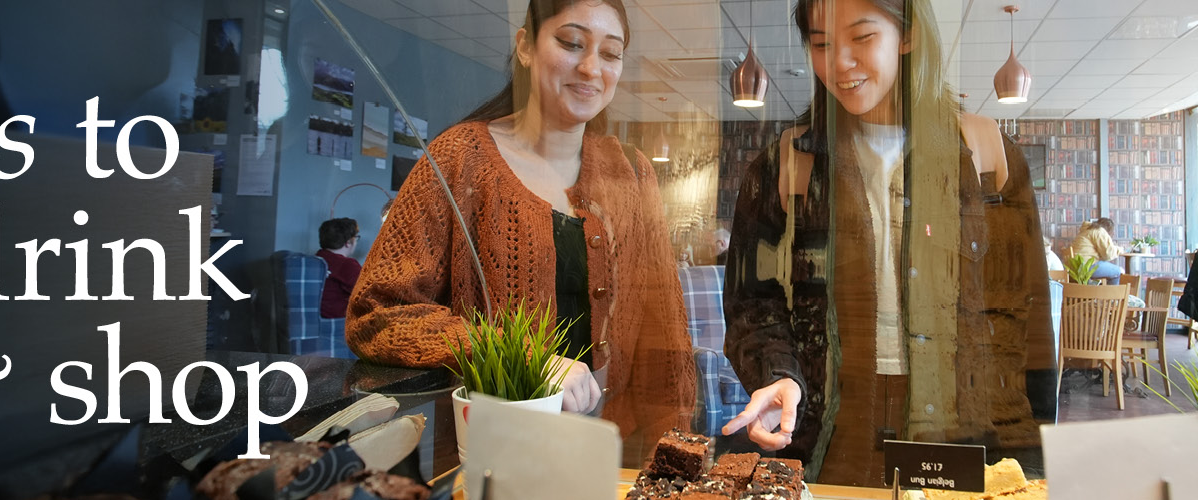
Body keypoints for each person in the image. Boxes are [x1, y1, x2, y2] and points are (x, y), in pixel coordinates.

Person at [345, 0, 696, 459]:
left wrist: (674, 453)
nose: (591, 68)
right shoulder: (459, 160)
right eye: (571, 43)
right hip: (496, 454)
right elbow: (376, 314)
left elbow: (664, 335)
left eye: (611, 53)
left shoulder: (631, 172)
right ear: (526, 47)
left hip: (613, 456)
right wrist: (527, 360)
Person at [721, 0, 1051, 486]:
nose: (839, 62)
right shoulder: (783, 167)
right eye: (821, 44)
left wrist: (1034, 459)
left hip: (959, 426)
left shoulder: (986, 158)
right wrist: (778, 375)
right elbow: (752, 304)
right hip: (829, 424)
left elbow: (1025, 323)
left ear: (908, 35)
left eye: (862, 37)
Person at [316, 218, 362, 319]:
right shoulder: (347, 265)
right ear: (348, 242)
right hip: (339, 322)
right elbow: (367, 292)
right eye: (356, 238)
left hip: (317, 322)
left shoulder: (315, 259)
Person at [1068, 217, 1123, 283]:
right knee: (1117, 271)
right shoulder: (1099, 231)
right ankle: (1111, 290)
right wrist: (1120, 249)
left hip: (1075, 267)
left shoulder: (1086, 231)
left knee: (1107, 268)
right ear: (1109, 230)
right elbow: (1108, 254)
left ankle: (1097, 287)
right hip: (1086, 267)